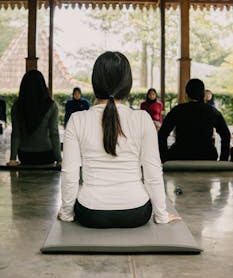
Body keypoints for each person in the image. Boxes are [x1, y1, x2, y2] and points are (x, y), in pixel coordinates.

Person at [58, 51, 180, 228]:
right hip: (137, 212)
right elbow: (153, 172)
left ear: (95, 83)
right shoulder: (142, 118)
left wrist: (67, 213)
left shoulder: (77, 119)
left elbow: (70, 173)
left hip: (91, 213)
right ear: (128, 84)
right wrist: (161, 215)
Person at [158, 78, 231, 162]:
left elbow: (162, 134)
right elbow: (226, 135)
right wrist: (223, 161)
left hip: (180, 155)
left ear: (186, 94)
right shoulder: (212, 111)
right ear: (203, 94)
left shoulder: (177, 110)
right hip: (207, 156)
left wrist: (165, 159)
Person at [8, 70, 62, 166]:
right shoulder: (51, 106)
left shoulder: (17, 106)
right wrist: (59, 160)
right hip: (47, 155)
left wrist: (12, 159)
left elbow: (16, 134)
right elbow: (54, 133)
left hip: (25, 156)